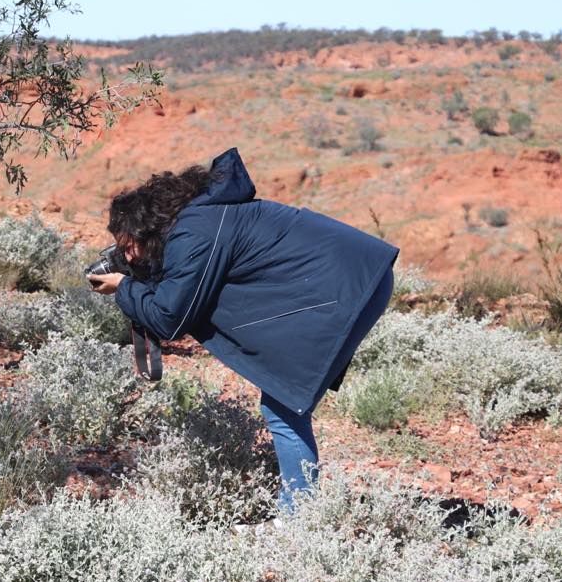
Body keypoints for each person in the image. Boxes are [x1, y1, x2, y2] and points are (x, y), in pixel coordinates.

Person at [88, 147, 399, 516]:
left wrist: (124, 287)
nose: (130, 257)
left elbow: (170, 318)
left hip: (349, 284)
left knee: (284, 406)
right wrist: (141, 279)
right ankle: (300, 510)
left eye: (129, 247)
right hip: (355, 275)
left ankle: (298, 518)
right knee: (283, 403)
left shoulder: (194, 232)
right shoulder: (198, 221)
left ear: (147, 228)